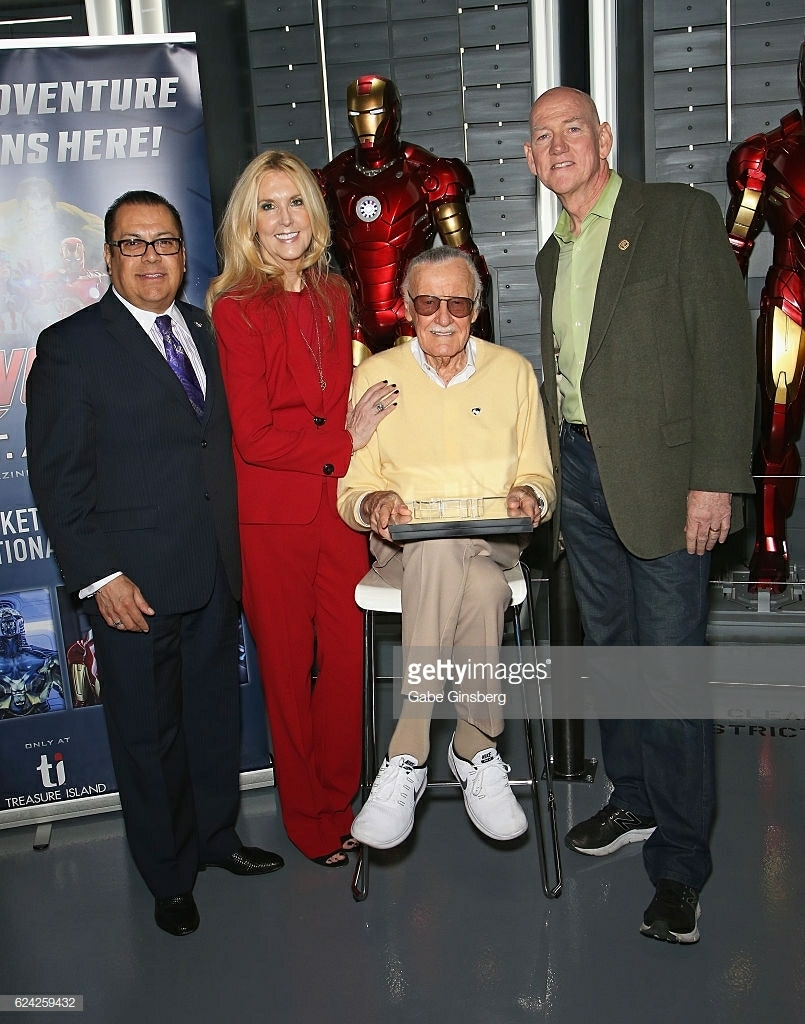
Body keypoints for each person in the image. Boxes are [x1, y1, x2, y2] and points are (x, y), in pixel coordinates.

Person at [524, 87, 756, 944]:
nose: (558, 146)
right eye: (542, 137)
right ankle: (634, 800)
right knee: (612, 654)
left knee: (667, 670)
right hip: (581, 475)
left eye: (572, 129)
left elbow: (724, 354)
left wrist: (713, 480)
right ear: (530, 160)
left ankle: (680, 867)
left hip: (664, 480)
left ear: (605, 138)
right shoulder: (550, 255)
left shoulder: (677, 216)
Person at [25, 190, 284, 938]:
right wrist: (99, 576)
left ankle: (216, 839)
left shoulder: (206, 330)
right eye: (133, 244)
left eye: (164, 242)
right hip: (131, 584)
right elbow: (59, 479)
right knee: (147, 735)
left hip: (213, 570)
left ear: (183, 253)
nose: (150, 257)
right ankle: (168, 875)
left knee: (212, 718)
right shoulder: (71, 345)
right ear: (108, 256)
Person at [207, 151, 396, 868]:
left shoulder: (335, 293)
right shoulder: (235, 308)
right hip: (272, 522)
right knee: (288, 677)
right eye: (267, 205)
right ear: (248, 223)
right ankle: (307, 818)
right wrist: (346, 440)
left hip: (336, 510)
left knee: (347, 666)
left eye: (294, 203)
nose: (283, 219)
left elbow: (343, 398)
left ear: (313, 215)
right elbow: (253, 437)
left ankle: (340, 800)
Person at [337, 246, 555, 850]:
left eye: (456, 304)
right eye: (428, 302)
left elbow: (539, 472)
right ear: (407, 309)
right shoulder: (376, 375)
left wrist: (530, 495)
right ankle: (474, 747)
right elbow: (352, 487)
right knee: (465, 575)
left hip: (494, 541)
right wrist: (375, 502)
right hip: (406, 554)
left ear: (476, 310)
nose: (442, 317)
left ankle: (405, 754)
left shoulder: (512, 371)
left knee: (459, 556)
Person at [316, 74, 492, 358]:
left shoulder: (429, 173)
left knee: (413, 383)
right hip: (355, 318)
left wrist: (479, 347)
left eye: (375, 112)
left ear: (393, 112)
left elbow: (466, 264)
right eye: (356, 115)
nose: (366, 123)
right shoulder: (332, 178)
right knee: (354, 387)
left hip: (409, 314)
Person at [725, 39, 805, 593]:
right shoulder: (766, 156)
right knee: (775, 425)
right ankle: (769, 544)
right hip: (792, 295)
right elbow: (736, 246)